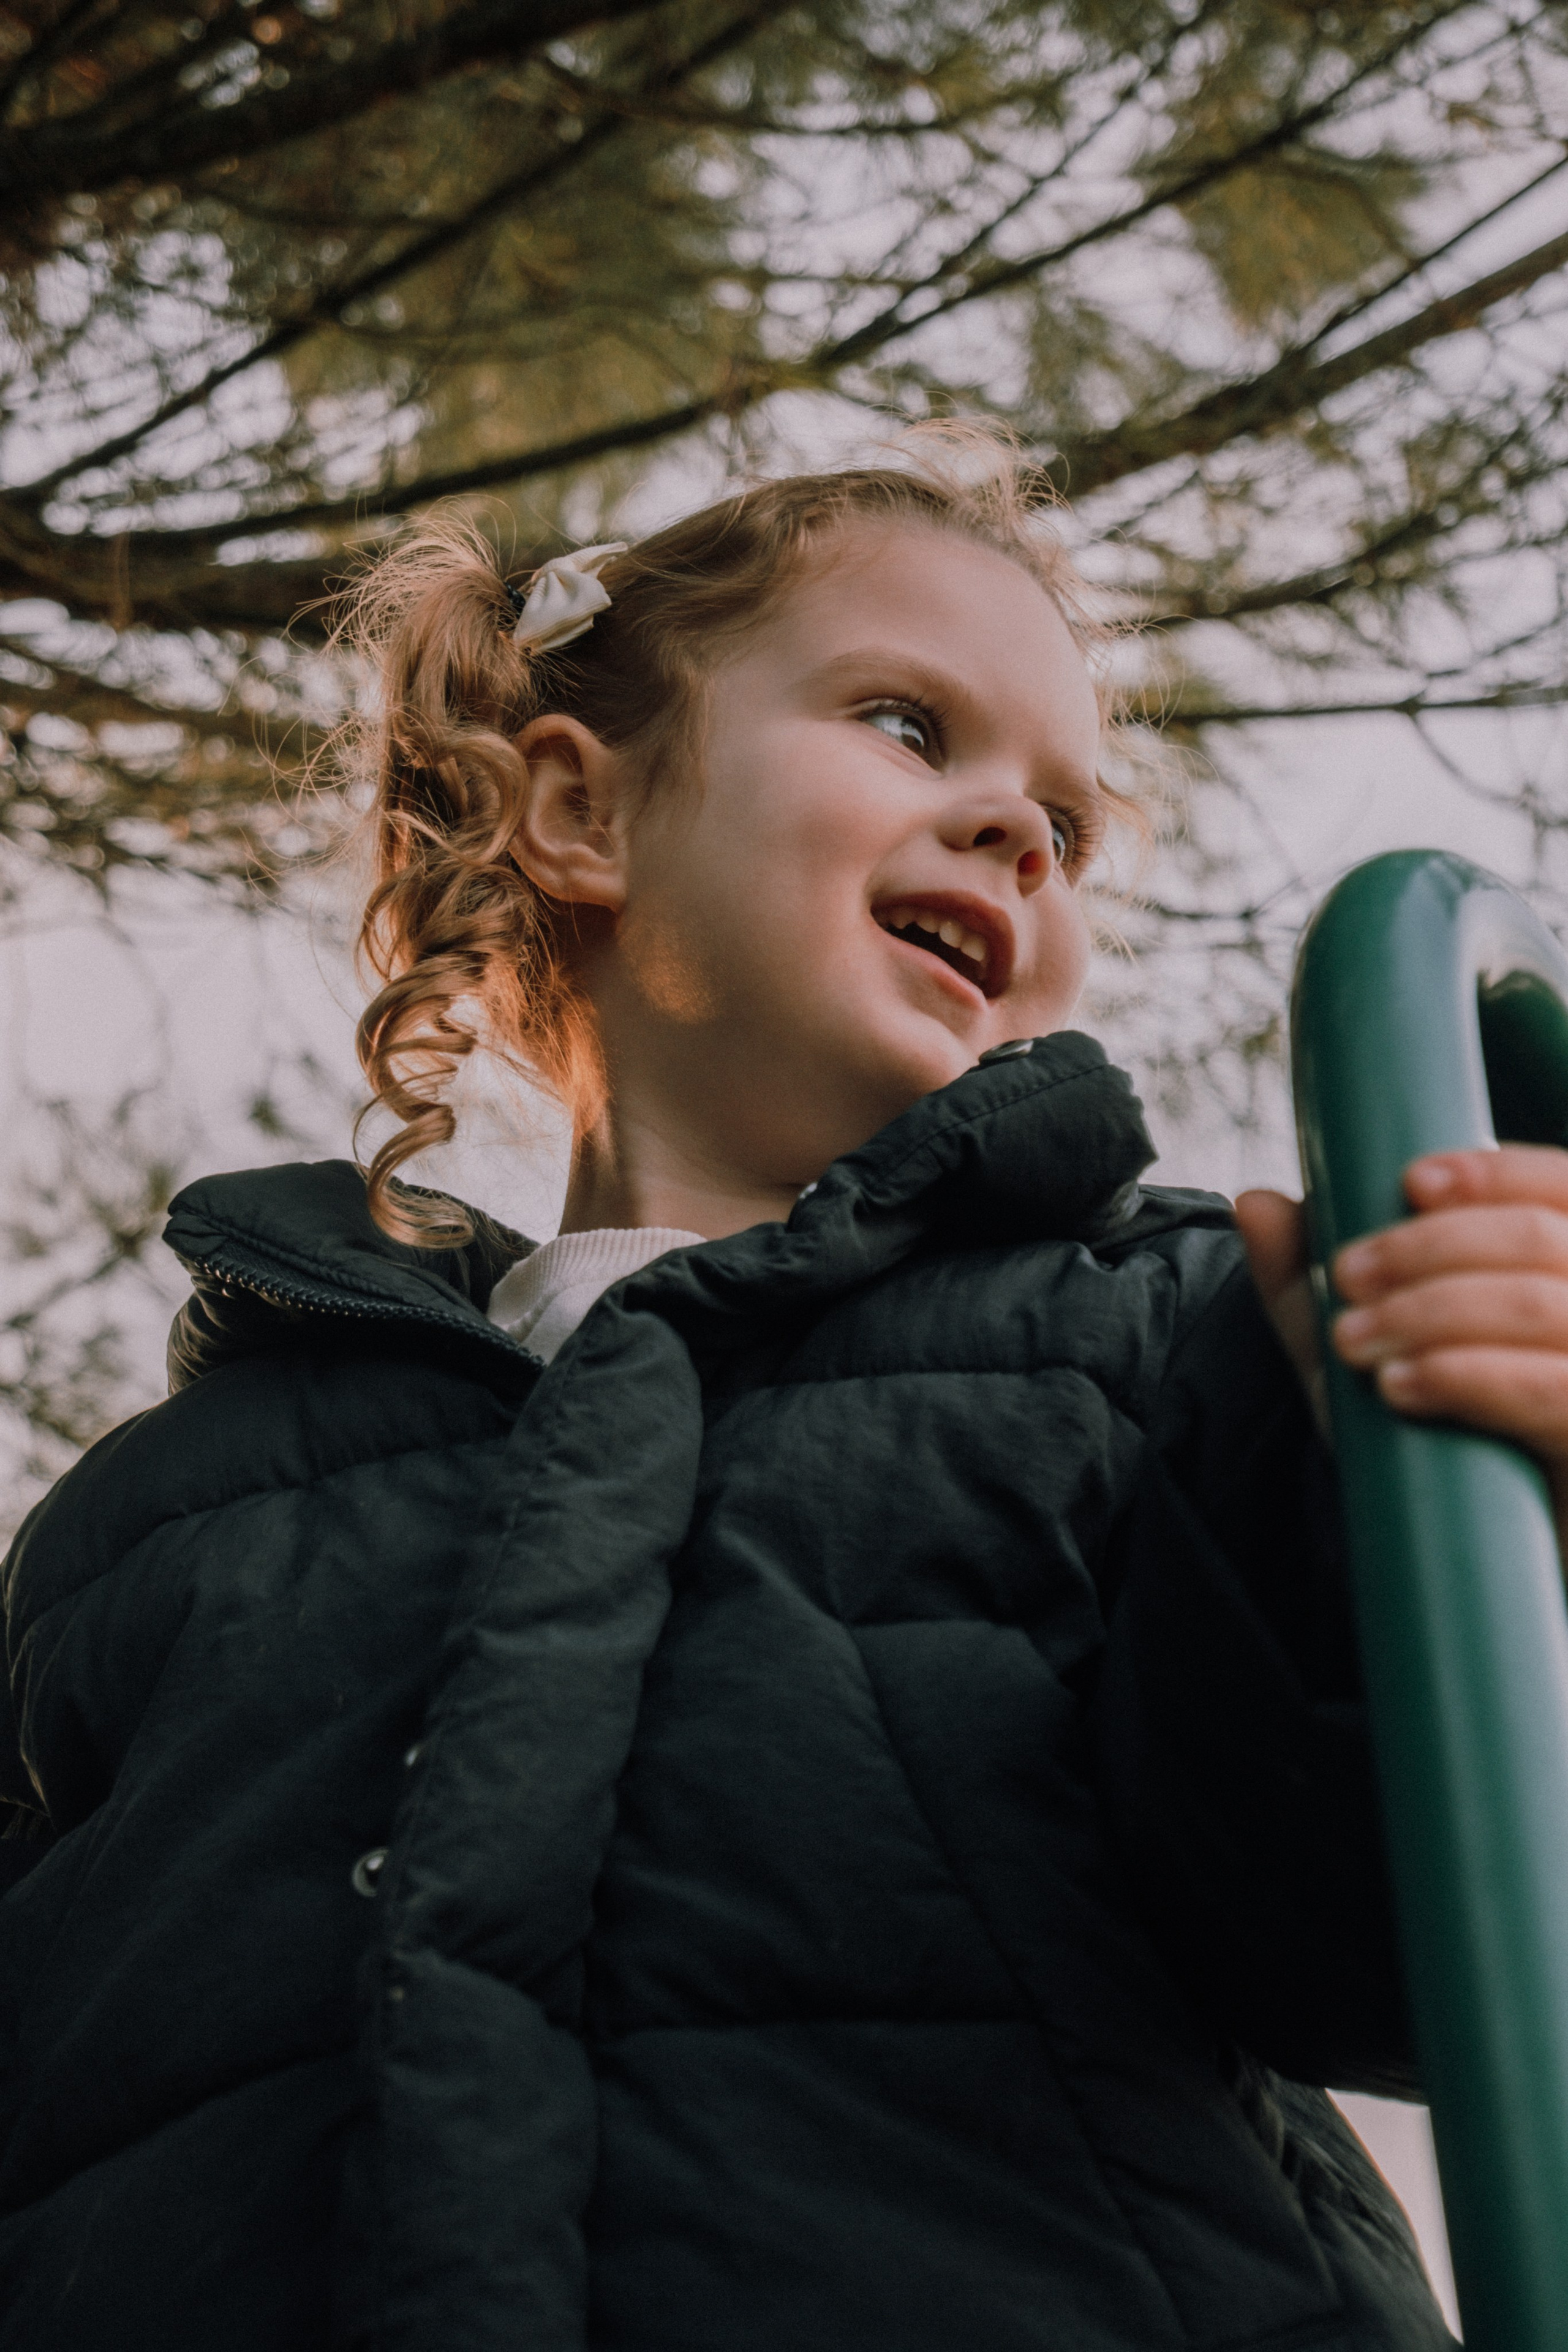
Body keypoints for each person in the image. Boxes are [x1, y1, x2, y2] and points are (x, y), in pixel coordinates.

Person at [5, 431, 1568, 2352]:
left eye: (1065, 824)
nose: (1016, 830)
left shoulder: (1147, 1344)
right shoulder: (160, 1518)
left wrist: (1404, 1500)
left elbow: (1381, 1944)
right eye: (911, 725)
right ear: (578, 811)